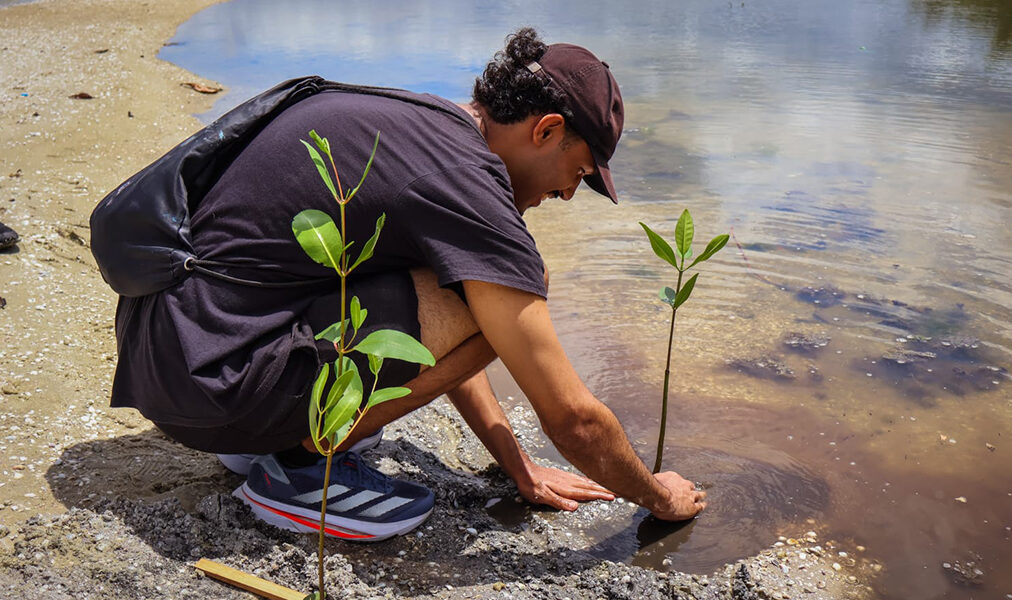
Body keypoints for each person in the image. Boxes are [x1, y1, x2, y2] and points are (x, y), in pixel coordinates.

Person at [107, 28, 706, 542]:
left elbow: (456, 326)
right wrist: (660, 496)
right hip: (219, 387)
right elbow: (573, 419)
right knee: (524, 279)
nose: (569, 193)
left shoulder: (422, 125)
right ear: (547, 130)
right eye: (578, 172)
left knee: (482, 286)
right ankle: (300, 467)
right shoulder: (465, 177)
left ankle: (270, 435)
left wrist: (516, 462)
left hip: (174, 359)